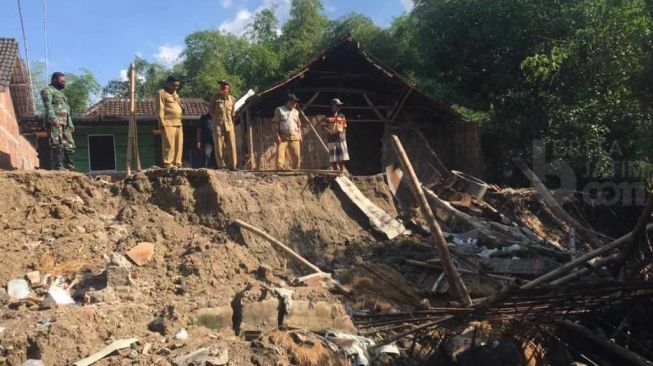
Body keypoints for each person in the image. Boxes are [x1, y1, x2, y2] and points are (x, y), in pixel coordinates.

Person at [41, 72, 75, 170]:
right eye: (62, 81)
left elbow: (66, 110)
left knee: (70, 145)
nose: (64, 83)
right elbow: (48, 106)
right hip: (55, 122)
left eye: (65, 81)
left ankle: (70, 167)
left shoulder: (61, 94)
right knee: (57, 143)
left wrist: (70, 124)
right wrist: (53, 119)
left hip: (65, 124)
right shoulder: (47, 90)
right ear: (55, 80)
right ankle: (58, 167)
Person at [209, 80, 237, 170]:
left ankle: (233, 165)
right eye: (221, 87)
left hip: (229, 125)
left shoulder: (232, 99)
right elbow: (211, 111)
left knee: (232, 145)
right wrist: (217, 119)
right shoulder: (215, 98)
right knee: (219, 146)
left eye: (224, 87)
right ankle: (221, 165)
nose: (222, 89)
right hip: (218, 125)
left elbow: (232, 113)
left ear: (228, 89)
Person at [156, 76, 184, 168]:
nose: (176, 87)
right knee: (169, 144)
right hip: (168, 122)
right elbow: (160, 108)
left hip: (178, 123)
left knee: (179, 144)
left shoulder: (175, 94)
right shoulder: (162, 93)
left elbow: (179, 106)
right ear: (167, 84)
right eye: (174, 85)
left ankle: (177, 163)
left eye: (177, 85)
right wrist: (161, 122)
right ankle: (168, 163)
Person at [273, 94, 302, 170]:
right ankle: (280, 167)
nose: (295, 104)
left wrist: (299, 134)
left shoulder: (296, 112)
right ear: (288, 102)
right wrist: (277, 135)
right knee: (281, 152)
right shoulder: (279, 110)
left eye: (296, 102)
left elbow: (298, 125)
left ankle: (296, 169)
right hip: (283, 136)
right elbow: (275, 123)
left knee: (297, 155)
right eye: (293, 102)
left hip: (294, 136)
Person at [323, 98, 349, 173]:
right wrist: (330, 131)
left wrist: (344, 136)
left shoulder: (342, 116)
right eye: (337, 106)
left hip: (341, 138)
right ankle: (335, 172)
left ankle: (341, 172)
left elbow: (344, 127)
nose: (338, 107)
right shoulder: (328, 116)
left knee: (342, 157)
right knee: (333, 158)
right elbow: (323, 126)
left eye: (339, 106)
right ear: (333, 106)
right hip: (332, 138)